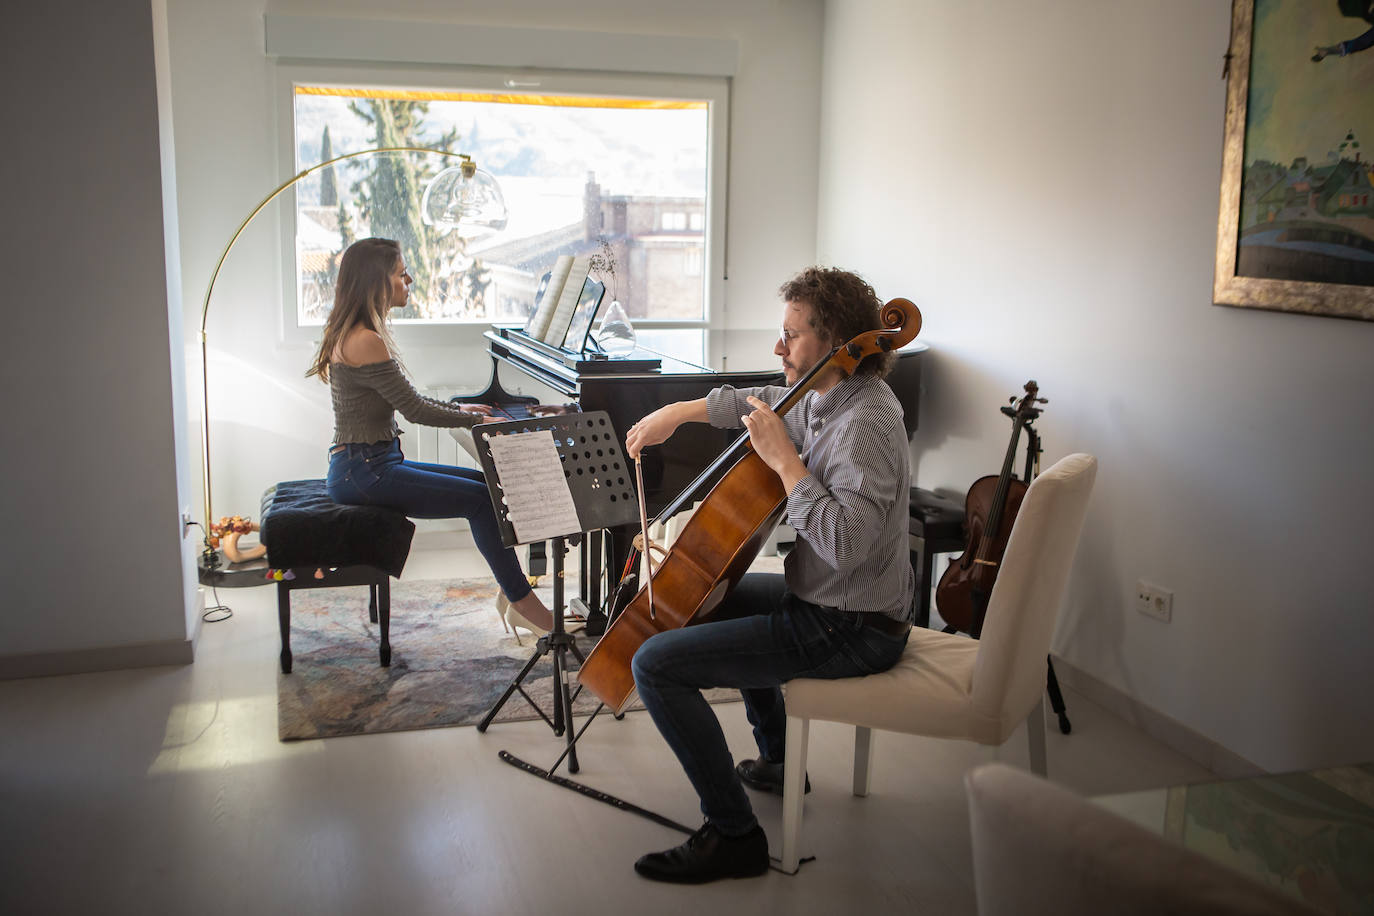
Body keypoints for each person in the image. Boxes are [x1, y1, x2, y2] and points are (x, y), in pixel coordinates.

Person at [622, 267, 915, 884]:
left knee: (655, 665)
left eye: (791, 336)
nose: (779, 349)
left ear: (836, 343)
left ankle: (733, 834)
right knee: (710, 595)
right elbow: (759, 402)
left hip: (850, 625)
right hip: (828, 604)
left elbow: (844, 545)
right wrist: (678, 411)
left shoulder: (866, 424)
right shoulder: (826, 393)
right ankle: (782, 763)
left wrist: (784, 461)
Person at [307, 237, 553, 637]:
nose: (409, 279)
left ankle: (514, 595)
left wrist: (463, 412)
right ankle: (525, 603)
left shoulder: (357, 332)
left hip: (366, 464)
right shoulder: (365, 339)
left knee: (482, 485)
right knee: (480, 500)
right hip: (364, 472)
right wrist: (472, 420)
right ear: (377, 282)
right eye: (400, 272)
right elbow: (416, 411)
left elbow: (409, 400)